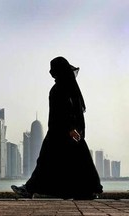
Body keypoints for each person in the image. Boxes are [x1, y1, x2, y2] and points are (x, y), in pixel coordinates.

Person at [11, 56, 103, 200]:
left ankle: (29, 189)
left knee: (48, 162)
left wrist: (71, 130)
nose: (50, 72)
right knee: (77, 160)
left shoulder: (61, 88)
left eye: (53, 68)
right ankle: (86, 191)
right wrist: (75, 132)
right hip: (69, 132)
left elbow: (67, 112)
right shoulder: (67, 87)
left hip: (59, 133)